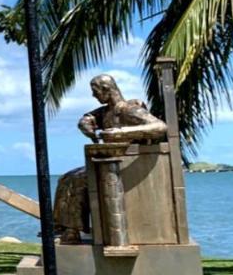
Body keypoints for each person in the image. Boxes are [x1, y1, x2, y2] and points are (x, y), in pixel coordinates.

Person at [55, 74, 167, 244]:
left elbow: (160, 127)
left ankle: (72, 231)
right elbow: (87, 118)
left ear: (107, 90)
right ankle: (66, 228)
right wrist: (85, 124)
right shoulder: (106, 112)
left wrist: (121, 132)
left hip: (128, 164)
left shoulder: (130, 109)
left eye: (96, 91)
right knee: (66, 178)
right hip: (109, 161)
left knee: (76, 180)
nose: (94, 96)